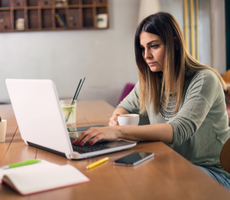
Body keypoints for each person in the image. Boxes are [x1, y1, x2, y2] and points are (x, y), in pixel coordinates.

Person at [73, 12, 230, 189]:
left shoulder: (204, 79)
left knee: (146, 183)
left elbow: (178, 130)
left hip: (214, 173)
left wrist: (117, 132)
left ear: (175, 44)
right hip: (174, 163)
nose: (146, 55)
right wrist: (117, 118)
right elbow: (124, 106)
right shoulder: (151, 81)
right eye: (142, 48)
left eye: (153, 46)